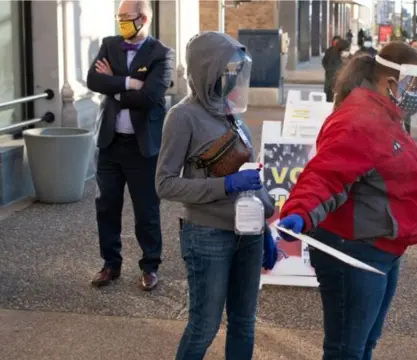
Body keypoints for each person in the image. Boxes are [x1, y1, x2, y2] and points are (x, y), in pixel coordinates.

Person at [277, 42, 417, 360]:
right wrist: (300, 211)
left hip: (378, 250)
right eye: (414, 86)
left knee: (362, 345)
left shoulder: (384, 114)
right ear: (390, 83)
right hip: (354, 252)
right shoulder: (360, 119)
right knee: (347, 350)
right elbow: (325, 175)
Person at [155, 32, 276, 360]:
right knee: (204, 325)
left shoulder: (230, 112)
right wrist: (226, 186)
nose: (236, 78)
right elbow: (165, 184)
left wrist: (265, 226)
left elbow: (248, 175)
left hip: (248, 233)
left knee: (243, 322)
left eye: (238, 70)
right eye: (229, 70)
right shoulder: (183, 116)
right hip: (208, 235)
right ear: (207, 69)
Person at [86, 0, 175, 291]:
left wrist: (114, 85)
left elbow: (150, 97)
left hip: (142, 147)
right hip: (110, 144)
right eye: (119, 16)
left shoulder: (162, 54)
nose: (121, 21)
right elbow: (93, 80)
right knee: (106, 206)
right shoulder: (109, 45)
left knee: (146, 210)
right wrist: (127, 82)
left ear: (144, 18)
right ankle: (110, 265)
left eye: (127, 17)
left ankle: (150, 266)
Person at [322, 36, 348, 102]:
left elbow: (346, 44)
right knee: (329, 94)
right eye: (335, 41)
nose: (336, 43)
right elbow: (324, 61)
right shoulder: (329, 51)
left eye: (338, 42)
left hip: (339, 77)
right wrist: (328, 69)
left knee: (337, 95)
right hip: (330, 76)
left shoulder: (341, 51)